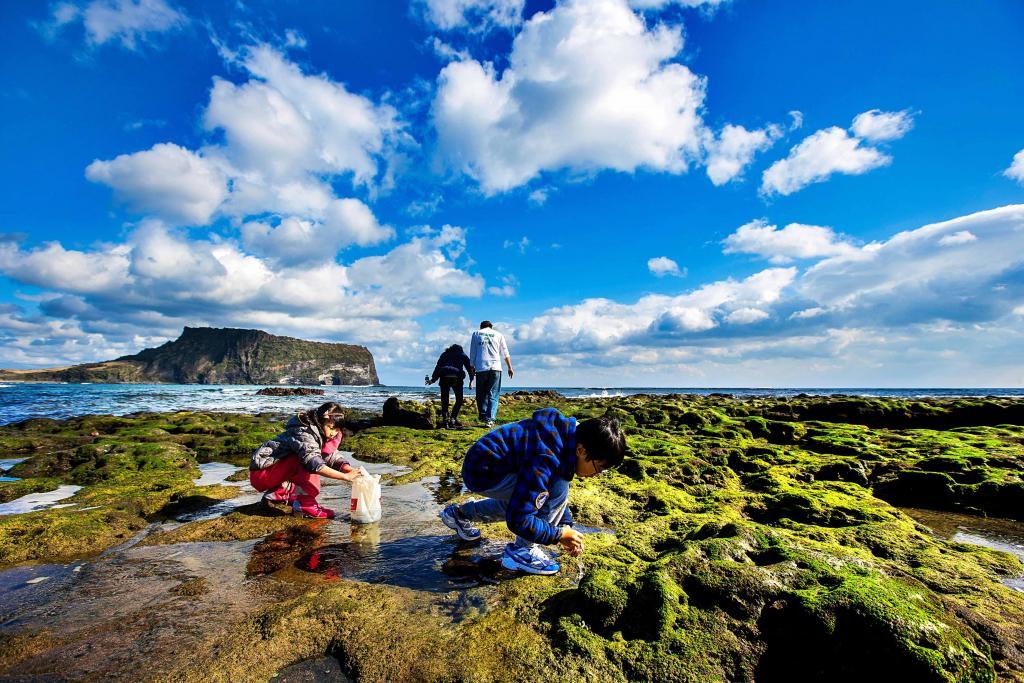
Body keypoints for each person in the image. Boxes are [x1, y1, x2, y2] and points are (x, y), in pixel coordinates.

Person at [439, 409, 626, 575]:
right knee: (550, 488)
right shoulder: (548, 458)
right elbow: (519, 519)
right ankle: (522, 552)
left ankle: (460, 514)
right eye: (599, 468)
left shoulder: (565, 437)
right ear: (581, 450)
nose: (596, 475)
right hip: (483, 472)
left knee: (531, 497)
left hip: (485, 464)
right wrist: (558, 535)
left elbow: (548, 500)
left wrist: (565, 525)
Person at [249, 402, 362, 519]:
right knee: (308, 461)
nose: (334, 433)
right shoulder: (304, 433)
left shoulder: (319, 434)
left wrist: (348, 470)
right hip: (262, 474)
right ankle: (305, 505)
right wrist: (345, 477)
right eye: (331, 428)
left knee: (310, 459)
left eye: (337, 430)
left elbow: (330, 455)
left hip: (273, 472)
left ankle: (281, 493)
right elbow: (313, 462)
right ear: (321, 421)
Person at [469, 320, 514, 427]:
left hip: (481, 367)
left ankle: (483, 416)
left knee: (481, 394)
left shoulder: (476, 333)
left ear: (481, 327)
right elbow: (505, 352)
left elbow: (473, 352)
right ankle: (490, 419)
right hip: (496, 367)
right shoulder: (499, 335)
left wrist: (471, 367)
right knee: (493, 394)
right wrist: (510, 367)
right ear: (491, 327)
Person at [425, 344, 475, 429]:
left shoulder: (444, 354)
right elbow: (469, 367)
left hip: (444, 377)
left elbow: (438, 366)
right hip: (457, 378)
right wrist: (471, 380)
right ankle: (453, 419)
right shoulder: (462, 354)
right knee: (459, 400)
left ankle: (445, 421)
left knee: (445, 400)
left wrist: (433, 380)